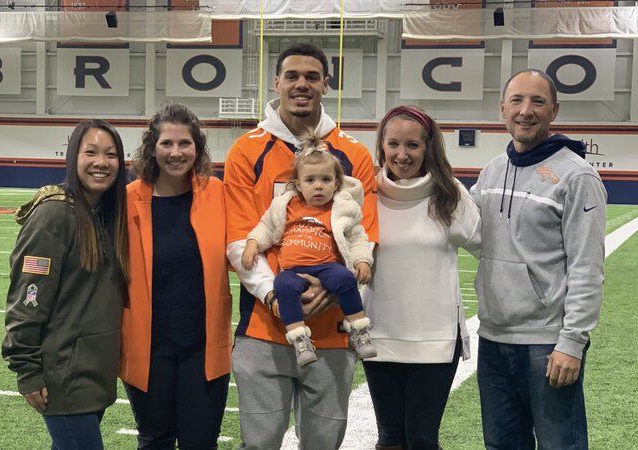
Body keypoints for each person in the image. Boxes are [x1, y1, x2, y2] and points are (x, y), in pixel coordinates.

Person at [224, 43, 378, 449]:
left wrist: (328, 293)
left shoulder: (355, 154)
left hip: (332, 333)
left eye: (312, 76)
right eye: (291, 75)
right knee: (258, 444)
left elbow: (367, 236)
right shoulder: (245, 150)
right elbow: (241, 239)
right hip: (263, 328)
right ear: (276, 83)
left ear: (327, 84)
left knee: (323, 444)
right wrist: (276, 296)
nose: (301, 84)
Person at [471, 69, 606, 449]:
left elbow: (587, 268)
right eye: (516, 100)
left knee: (559, 445)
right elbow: (466, 229)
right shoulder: (493, 169)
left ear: (554, 111)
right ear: (502, 108)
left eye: (538, 101)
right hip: (493, 338)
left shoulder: (577, 176)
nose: (525, 111)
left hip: (546, 343)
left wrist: (572, 343)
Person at [2, 119, 129, 449]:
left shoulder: (104, 212)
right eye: (91, 152)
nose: (101, 162)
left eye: (111, 154)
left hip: (93, 374)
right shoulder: (55, 214)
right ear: (73, 156)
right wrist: (27, 369)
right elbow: (27, 296)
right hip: (64, 376)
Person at [361, 105, 481, 450]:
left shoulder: (450, 194)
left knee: (423, 440)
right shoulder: (364, 193)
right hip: (379, 336)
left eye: (413, 145)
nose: (402, 154)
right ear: (381, 145)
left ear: (429, 147)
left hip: (436, 341)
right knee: (390, 439)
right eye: (393, 144)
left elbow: (488, 248)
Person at [119, 103, 232, 449]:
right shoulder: (128, 198)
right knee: (155, 440)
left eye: (185, 143)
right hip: (149, 348)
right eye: (167, 143)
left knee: (201, 442)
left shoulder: (217, 193)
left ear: (197, 148)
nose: (175, 152)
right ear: (152, 147)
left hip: (204, 346)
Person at [241, 133, 375, 367]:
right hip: (293, 269)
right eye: (311, 180)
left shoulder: (342, 208)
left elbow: (357, 237)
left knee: (345, 278)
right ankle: (300, 339)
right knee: (283, 285)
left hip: (328, 266)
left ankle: (359, 330)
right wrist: (252, 244)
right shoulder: (286, 205)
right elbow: (266, 226)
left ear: (337, 183)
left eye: (326, 179)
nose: (318, 186)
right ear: (298, 184)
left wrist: (362, 260)